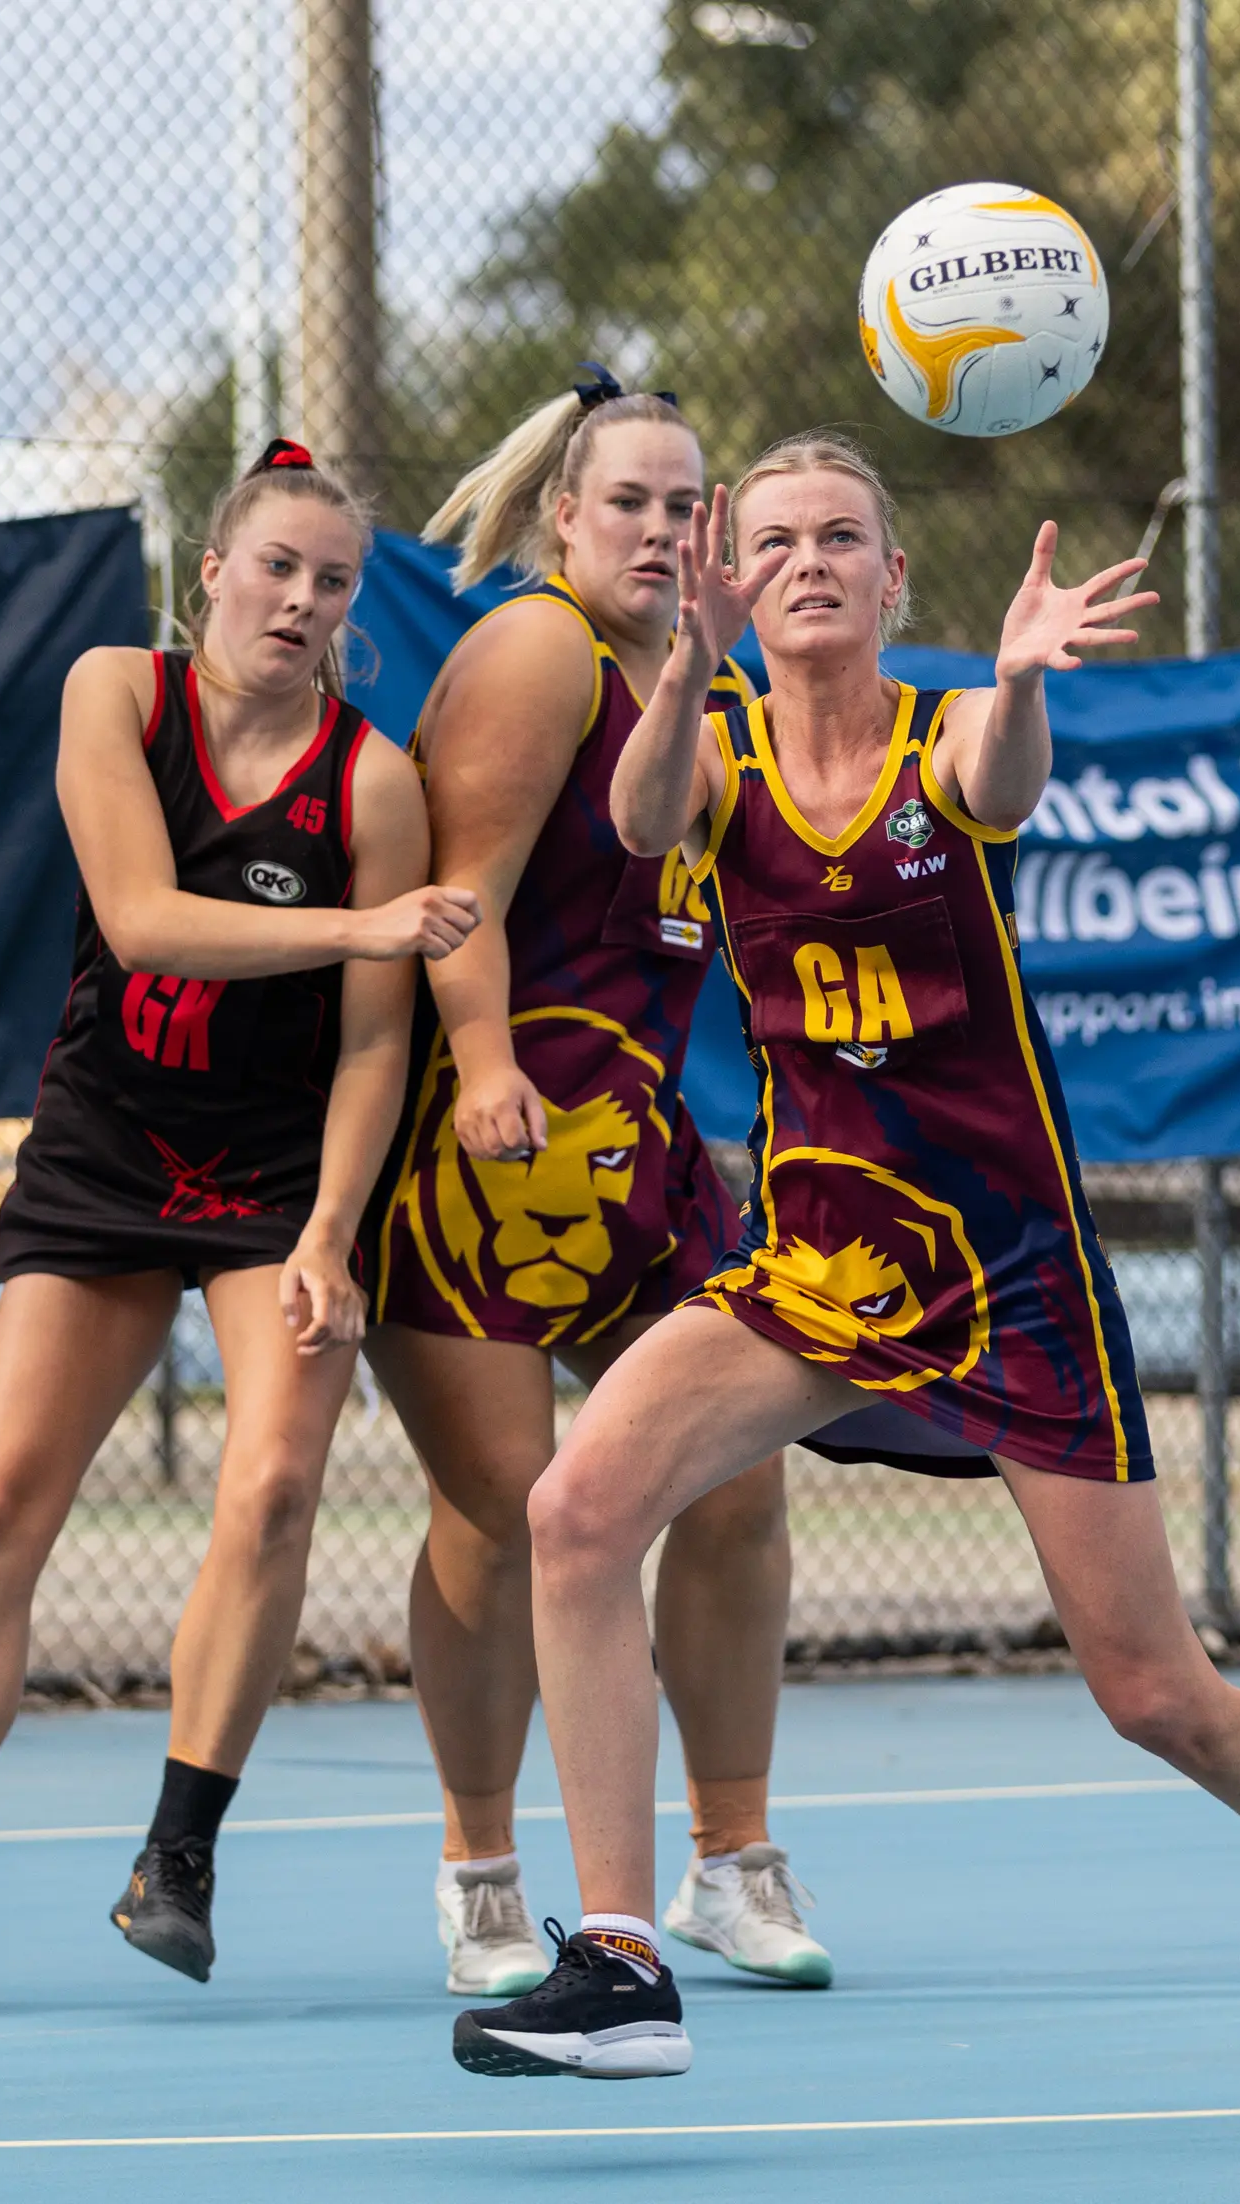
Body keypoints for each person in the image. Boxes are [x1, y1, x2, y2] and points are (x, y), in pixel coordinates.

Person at [445, 433, 1240, 2137]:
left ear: (890, 580)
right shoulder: (710, 755)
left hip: (1011, 1278)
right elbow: (642, 823)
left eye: (840, 540)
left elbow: (1001, 787)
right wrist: (680, 668)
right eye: (772, 538)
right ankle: (625, 1960)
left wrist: (1014, 681)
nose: (804, 562)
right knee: (575, 1511)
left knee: (1148, 1692)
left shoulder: (948, 745)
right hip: (814, 1260)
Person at [0, 441, 480, 1997]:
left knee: (277, 1483)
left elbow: (374, 1041)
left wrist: (331, 1231)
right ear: (212, 570)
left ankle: (179, 1855)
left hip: (277, 1173)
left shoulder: (372, 780)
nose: (299, 599)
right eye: (275, 566)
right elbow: (145, 918)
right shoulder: (116, 694)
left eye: (332, 580)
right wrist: (365, 922)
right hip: (105, 1147)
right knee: (2, 1502)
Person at [365, 370, 827, 1999]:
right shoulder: (538, 650)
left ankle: (732, 1857)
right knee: (500, 1514)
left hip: (643, 1164)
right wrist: (486, 1067)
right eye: (625, 500)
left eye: (682, 503)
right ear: (564, 517)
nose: (656, 526)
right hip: (481, 1153)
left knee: (736, 1482)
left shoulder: (704, 684)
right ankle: (480, 1876)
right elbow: (455, 895)